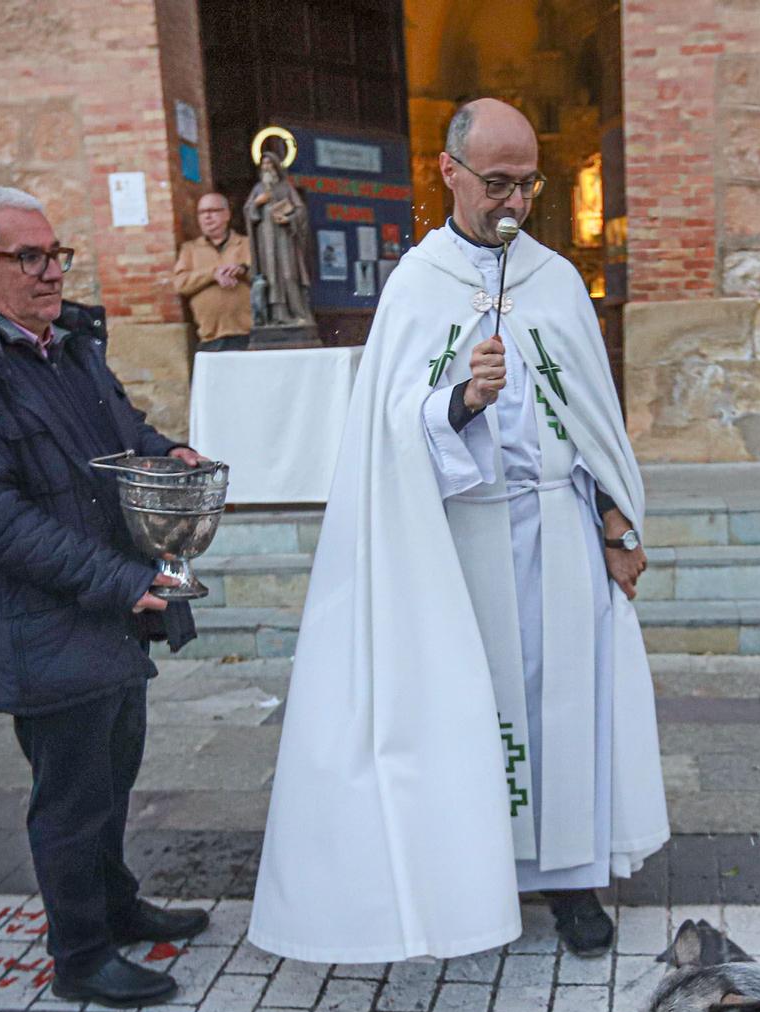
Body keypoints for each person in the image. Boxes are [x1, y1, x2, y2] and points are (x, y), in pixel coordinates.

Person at [251, 98, 668, 964]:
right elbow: (387, 431)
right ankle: (476, 870)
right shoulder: (417, 286)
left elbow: (594, 417)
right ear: (450, 174)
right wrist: (461, 401)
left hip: (557, 530)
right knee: (472, 708)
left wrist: (619, 523)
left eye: (528, 184)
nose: (513, 201)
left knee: (567, 710)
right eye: (497, 183)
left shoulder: (554, 279)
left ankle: (573, 879)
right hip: (462, 539)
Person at [0, 185, 214, 1009]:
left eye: (55, 255)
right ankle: (80, 955)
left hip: (108, 618)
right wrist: (122, 580)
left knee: (113, 775)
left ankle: (115, 904)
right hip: (44, 625)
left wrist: (166, 452)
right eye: (28, 258)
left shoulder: (65, 343)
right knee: (71, 799)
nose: (50, 273)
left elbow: (120, 432)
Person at [172, 192, 252, 353]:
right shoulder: (190, 249)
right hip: (210, 337)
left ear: (227, 214)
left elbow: (264, 277)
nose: (207, 217)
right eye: (202, 212)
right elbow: (180, 284)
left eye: (213, 211)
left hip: (247, 334)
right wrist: (213, 273)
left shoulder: (246, 244)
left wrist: (241, 270)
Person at [245, 151, 312, 329]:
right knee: (271, 278)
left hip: (285, 240)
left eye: (270, 164)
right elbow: (248, 212)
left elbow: (301, 210)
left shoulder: (286, 187)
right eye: (264, 164)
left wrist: (288, 219)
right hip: (265, 242)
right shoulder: (258, 189)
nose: (267, 167)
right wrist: (258, 203)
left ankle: (298, 314)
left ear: (276, 167)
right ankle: (277, 317)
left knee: (289, 275)